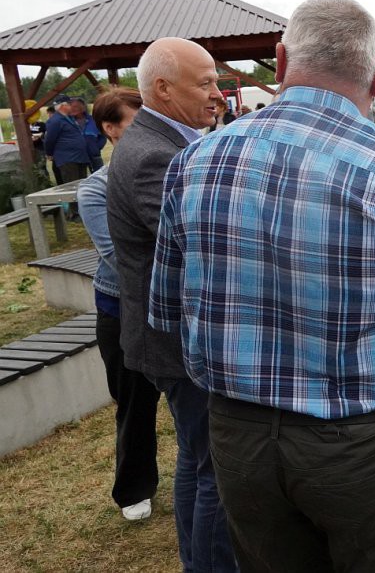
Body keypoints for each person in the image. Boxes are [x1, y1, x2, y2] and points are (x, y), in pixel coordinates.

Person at [150, 0, 375, 573]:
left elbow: (167, 309)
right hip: (361, 447)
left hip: (237, 438)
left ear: (280, 62)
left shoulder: (194, 162)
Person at [106, 37, 237, 573]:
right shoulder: (155, 156)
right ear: (162, 88)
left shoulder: (159, 143)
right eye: (204, 83)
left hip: (171, 338)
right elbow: (197, 244)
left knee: (195, 459)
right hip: (178, 340)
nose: (217, 94)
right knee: (217, 471)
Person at [78, 87, 162, 523]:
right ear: (110, 129)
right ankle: (134, 487)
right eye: (135, 121)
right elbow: (117, 255)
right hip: (122, 308)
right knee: (134, 404)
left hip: (171, 304)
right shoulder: (95, 190)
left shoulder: (169, 166)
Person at [43, 95, 91, 185]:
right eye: (69, 104)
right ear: (63, 106)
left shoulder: (70, 118)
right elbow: (49, 140)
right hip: (68, 159)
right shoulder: (55, 121)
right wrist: (49, 153)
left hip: (80, 157)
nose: (71, 106)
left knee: (83, 186)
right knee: (73, 186)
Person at [70, 97, 106, 172]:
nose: (73, 109)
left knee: (101, 175)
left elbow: (103, 136)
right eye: (71, 106)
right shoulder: (68, 122)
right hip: (77, 157)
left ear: (83, 107)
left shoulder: (93, 120)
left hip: (94, 156)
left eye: (75, 106)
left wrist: (96, 148)